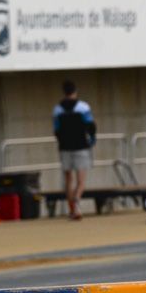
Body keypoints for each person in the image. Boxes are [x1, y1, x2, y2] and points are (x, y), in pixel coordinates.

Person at [53, 80, 96, 220]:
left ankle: (71, 209)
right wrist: (92, 139)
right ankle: (77, 201)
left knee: (68, 180)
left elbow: (56, 130)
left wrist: (61, 141)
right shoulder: (83, 107)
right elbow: (91, 125)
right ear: (75, 91)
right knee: (81, 180)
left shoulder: (57, 109)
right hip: (81, 146)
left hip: (65, 147)